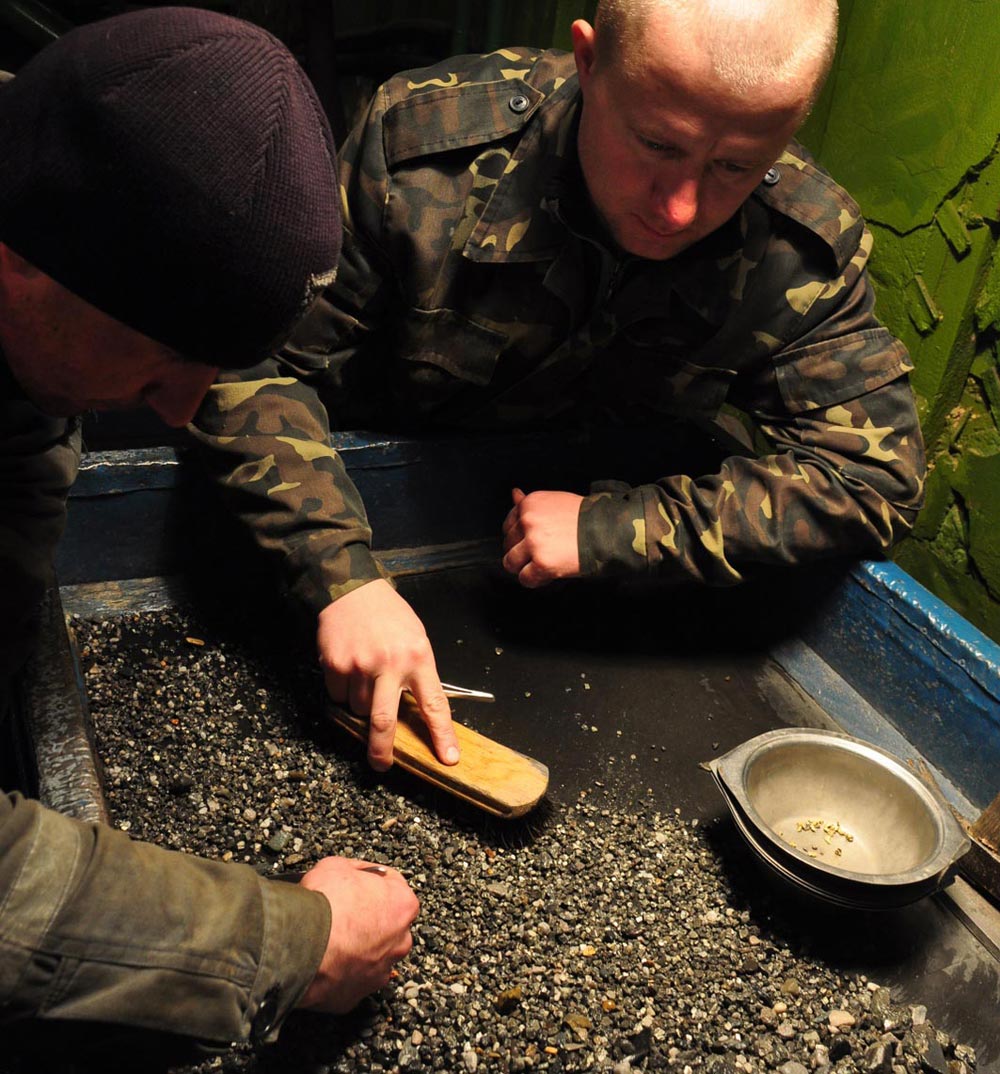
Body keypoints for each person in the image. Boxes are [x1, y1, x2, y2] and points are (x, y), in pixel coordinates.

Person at [190, 0, 925, 772]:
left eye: (734, 167)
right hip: (363, 522)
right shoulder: (422, 152)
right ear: (589, 59)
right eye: (655, 143)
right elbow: (251, 362)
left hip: (587, 606)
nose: (679, 207)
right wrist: (337, 575)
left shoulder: (800, 243)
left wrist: (621, 530)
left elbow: (871, 473)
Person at [0, 8, 418, 1046]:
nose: (183, 411)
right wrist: (287, 944)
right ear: (18, 262)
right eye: (155, 370)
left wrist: (344, 572)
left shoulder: (56, 201)